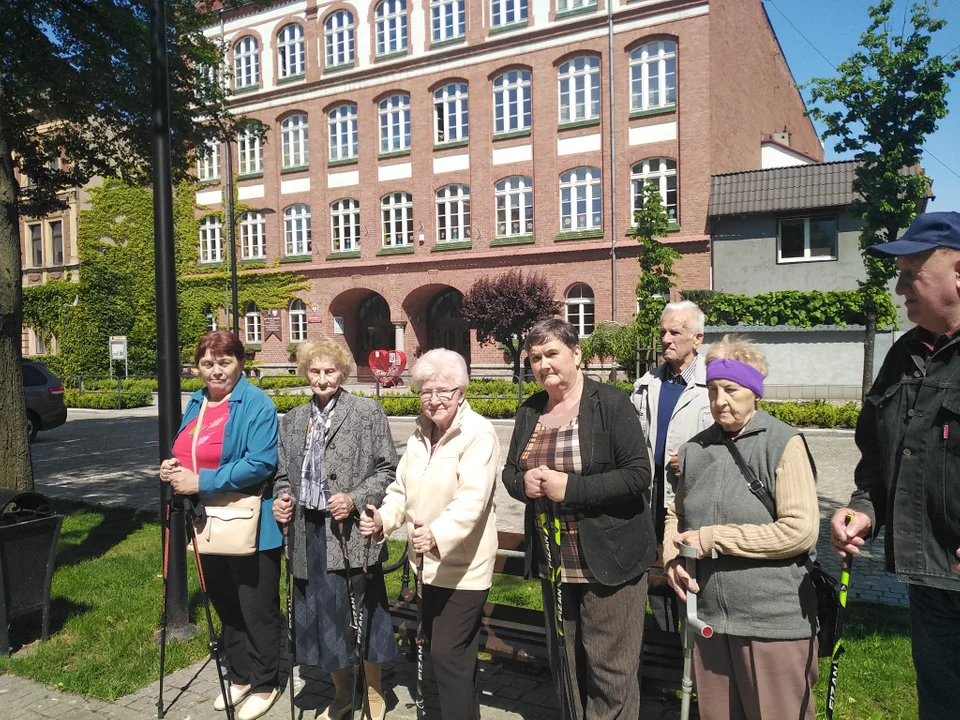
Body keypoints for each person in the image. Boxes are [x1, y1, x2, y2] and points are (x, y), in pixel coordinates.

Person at [829, 211, 960, 720]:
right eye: (898, 273)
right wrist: (864, 508)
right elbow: (878, 459)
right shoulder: (904, 355)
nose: (899, 286)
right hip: (932, 581)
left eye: (912, 273)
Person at [502, 317, 656, 719]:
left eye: (551, 353)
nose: (543, 364)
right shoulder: (529, 410)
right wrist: (525, 484)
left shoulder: (610, 402)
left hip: (609, 557)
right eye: (535, 357)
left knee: (610, 668)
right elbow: (509, 473)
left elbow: (639, 474)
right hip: (555, 561)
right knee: (566, 662)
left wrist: (571, 488)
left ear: (577, 353)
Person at [664, 335, 819, 720]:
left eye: (730, 390)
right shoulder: (694, 449)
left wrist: (714, 538)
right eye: (713, 390)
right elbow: (675, 515)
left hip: (773, 622)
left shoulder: (783, 443)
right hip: (709, 619)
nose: (719, 401)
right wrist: (670, 557)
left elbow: (799, 531)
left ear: (754, 390)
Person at [359, 348, 500, 720]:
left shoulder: (479, 434)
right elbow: (400, 492)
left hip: (464, 567)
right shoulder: (420, 434)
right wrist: (383, 521)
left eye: (444, 391)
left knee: (446, 653)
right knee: (453, 654)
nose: (434, 400)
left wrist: (437, 534)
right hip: (426, 566)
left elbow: (473, 500)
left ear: (461, 392)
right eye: (425, 391)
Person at [272, 339, 399, 720]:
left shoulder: (366, 412)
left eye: (330, 371)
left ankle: (375, 693)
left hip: (347, 533)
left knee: (362, 614)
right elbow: (282, 476)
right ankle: (344, 693)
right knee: (320, 619)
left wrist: (356, 498)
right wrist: (282, 499)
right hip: (307, 533)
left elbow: (387, 470)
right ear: (305, 373)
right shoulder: (293, 420)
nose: (322, 378)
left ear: (343, 373)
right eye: (315, 371)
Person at [160, 330, 282, 720]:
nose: (216, 371)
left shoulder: (256, 404)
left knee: (256, 606)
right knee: (225, 602)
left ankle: (266, 682)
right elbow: (190, 449)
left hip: (250, 524)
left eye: (224, 362)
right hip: (207, 522)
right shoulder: (196, 402)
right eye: (208, 363)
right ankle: (241, 674)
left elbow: (261, 462)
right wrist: (173, 468)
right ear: (198, 368)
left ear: (240, 363)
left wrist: (201, 482)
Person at [631, 300, 711, 631]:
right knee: (657, 575)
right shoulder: (645, 385)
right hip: (651, 499)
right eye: (663, 331)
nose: (665, 338)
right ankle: (665, 644)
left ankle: (694, 660)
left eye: (675, 332)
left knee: (691, 578)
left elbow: (733, 441)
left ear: (697, 338)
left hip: (693, 501)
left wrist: (698, 457)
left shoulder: (715, 386)